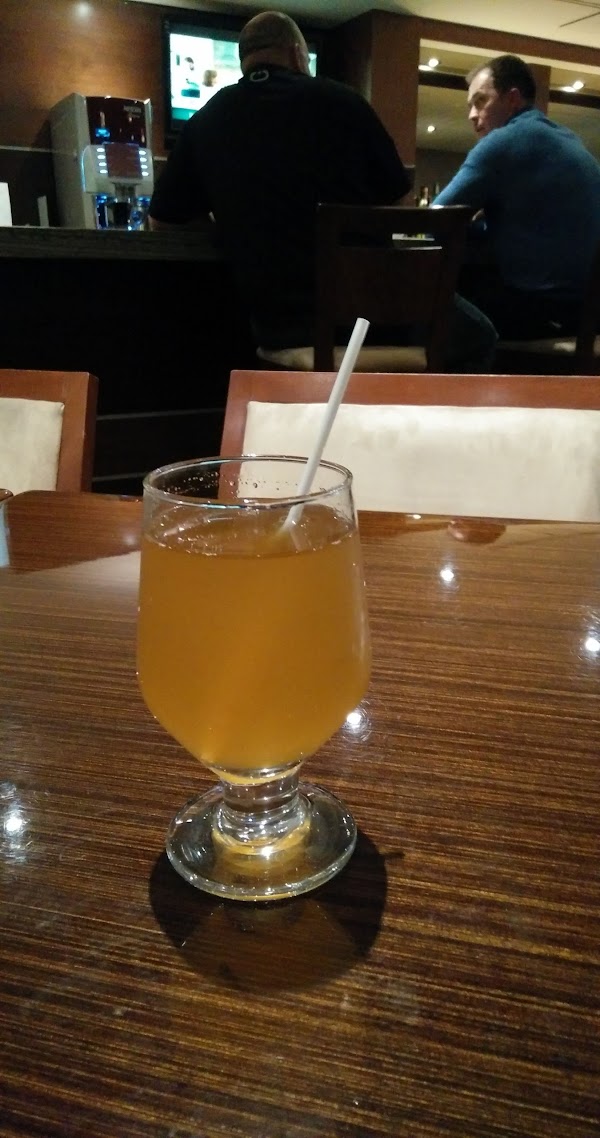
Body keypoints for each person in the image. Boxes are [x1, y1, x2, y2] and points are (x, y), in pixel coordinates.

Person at [150, 10, 496, 370]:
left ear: (243, 62)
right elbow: (399, 205)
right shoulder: (344, 102)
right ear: (298, 55)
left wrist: (227, 226)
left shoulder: (205, 121)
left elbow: (162, 220)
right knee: (478, 335)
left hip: (278, 328)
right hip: (375, 320)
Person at [433, 54, 600, 340]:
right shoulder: (570, 140)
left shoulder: (502, 141)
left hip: (545, 311)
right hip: (589, 314)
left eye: (480, 101)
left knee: (432, 296)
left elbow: (435, 220)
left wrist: (471, 225)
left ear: (512, 98)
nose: (471, 114)